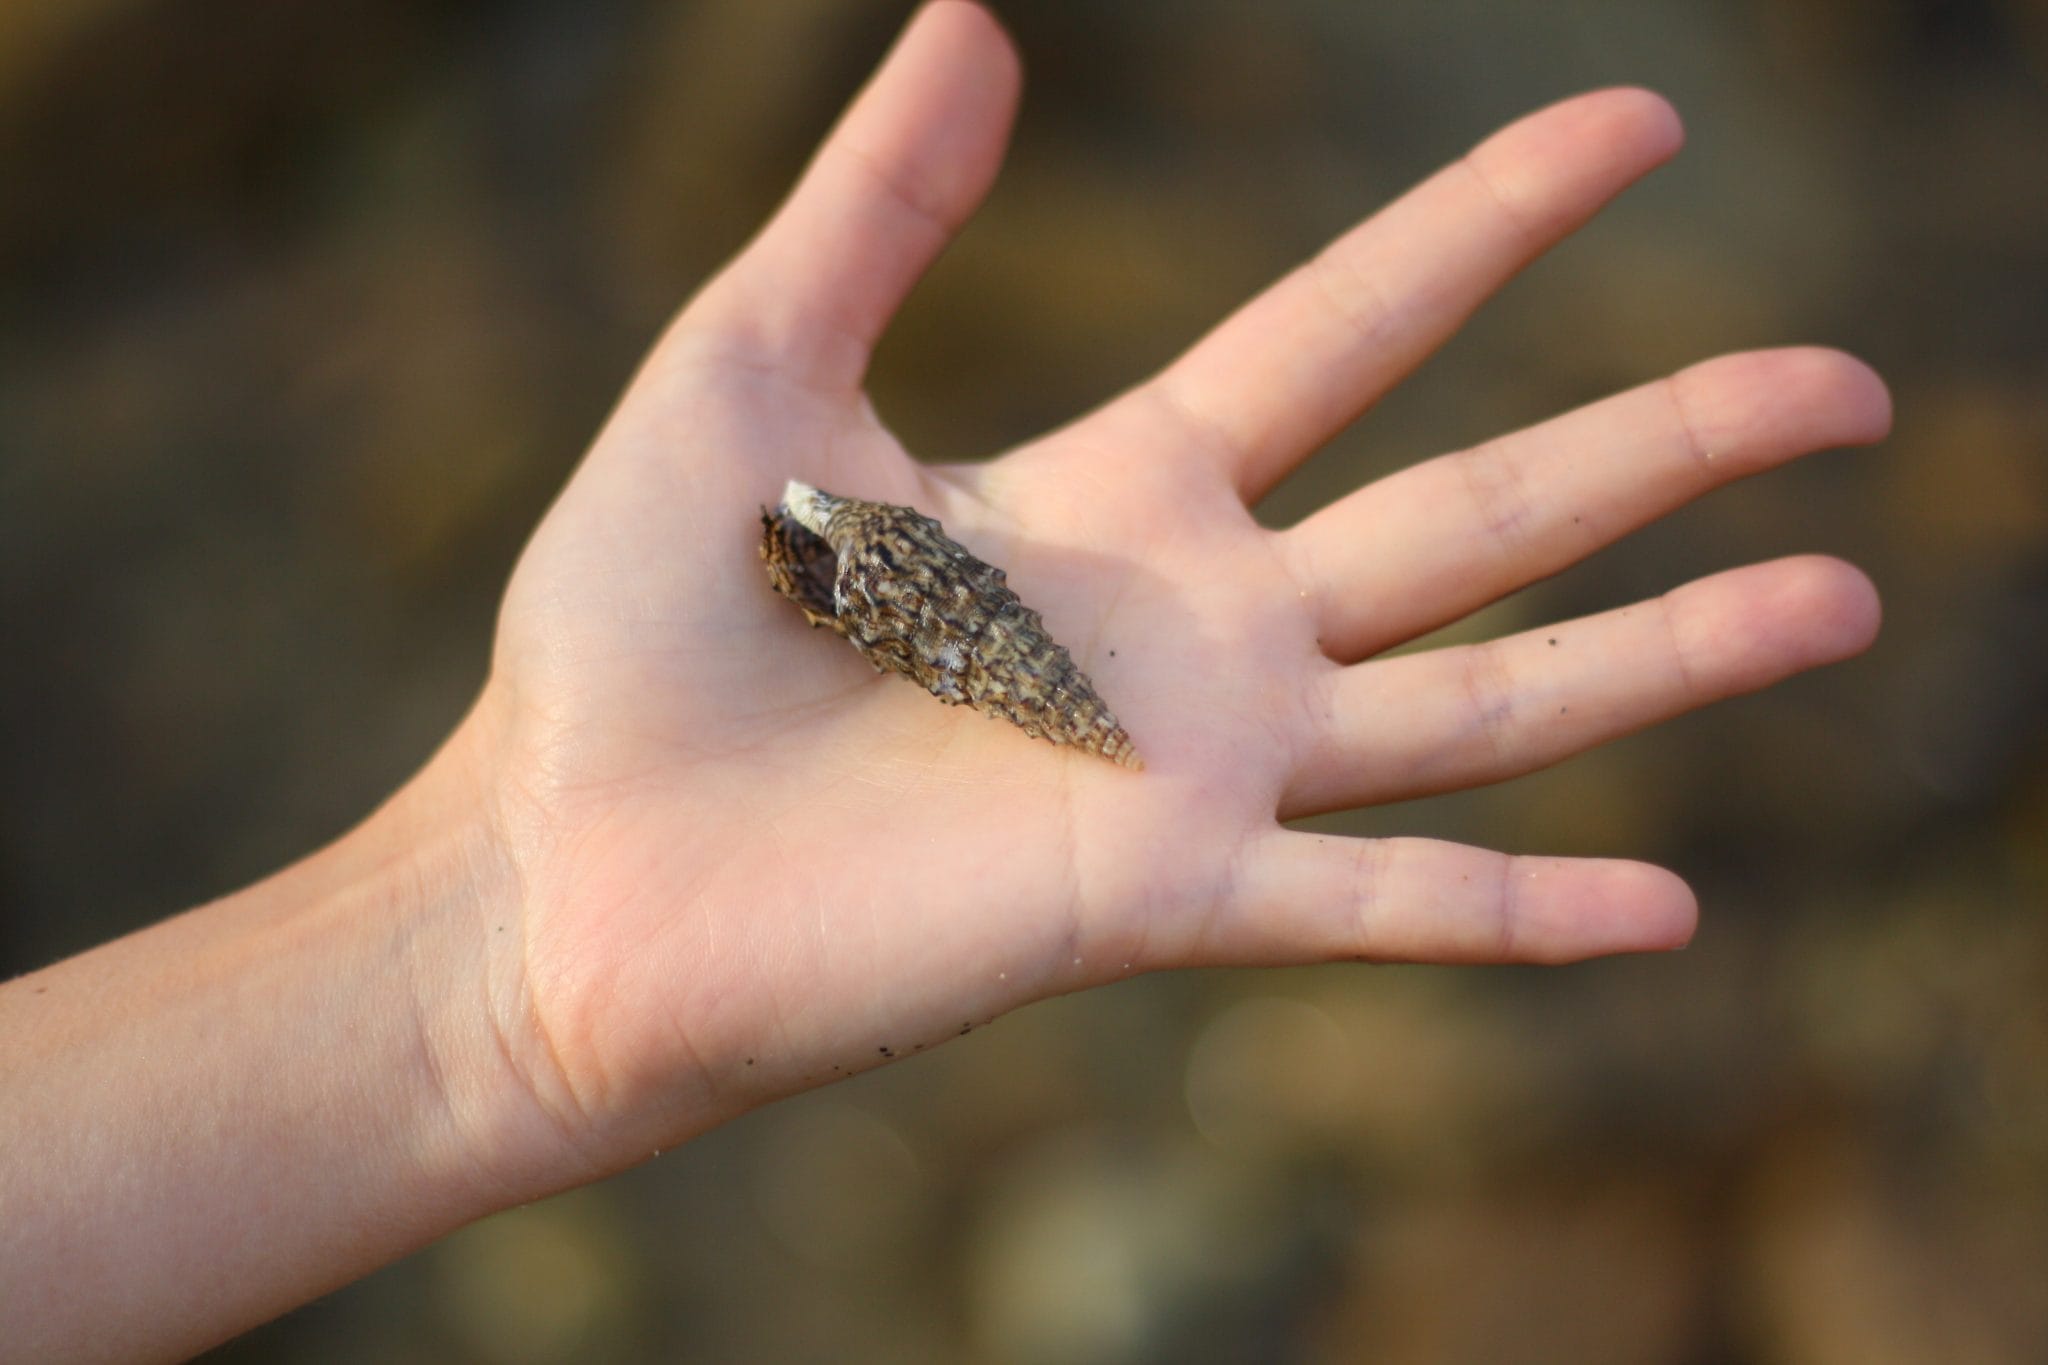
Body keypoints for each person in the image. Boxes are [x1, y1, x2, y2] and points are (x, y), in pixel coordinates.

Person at [0, 3, 1890, 1359]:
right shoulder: (840, 574)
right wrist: (482, 941)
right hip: (948, 637)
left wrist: (482, 938)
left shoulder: (856, 575)